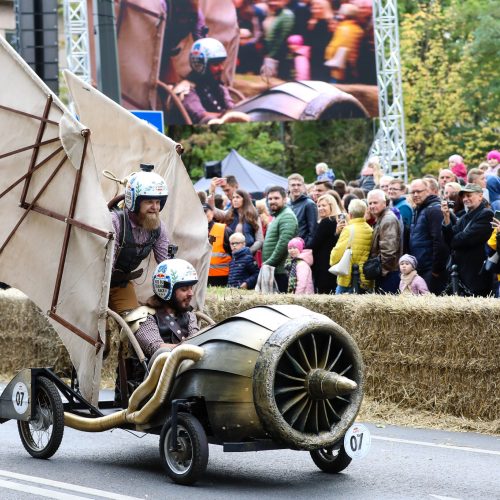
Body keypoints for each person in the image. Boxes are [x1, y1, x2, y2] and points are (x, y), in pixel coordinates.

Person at [109, 166, 170, 315]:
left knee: (135, 321)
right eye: (149, 201)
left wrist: (167, 299)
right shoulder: (115, 222)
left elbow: (165, 265)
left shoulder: (158, 227)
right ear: (134, 201)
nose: (155, 207)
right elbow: (104, 267)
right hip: (94, 281)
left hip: (119, 284)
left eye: (158, 202)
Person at [128, 259, 200, 365]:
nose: (191, 293)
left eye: (191, 288)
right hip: (150, 379)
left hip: (184, 377)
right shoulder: (145, 318)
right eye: (184, 289)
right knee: (163, 352)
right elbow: (157, 347)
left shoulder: (189, 316)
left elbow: (197, 341)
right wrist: (191, 349)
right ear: (165, 290)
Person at [441, 184, 495, 297]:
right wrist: (446, 218)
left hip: (477, 275)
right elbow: (449, 241)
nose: (465, 199)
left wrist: (454, 239)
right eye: (463, 196)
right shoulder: (465, 217)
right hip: (461, 274)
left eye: (469, 195)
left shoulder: (486, 214)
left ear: (480, 196)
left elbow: (460, 241)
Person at [408, 179, 449, 294]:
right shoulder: (419, 210)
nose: (415, 195)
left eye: (419, 191)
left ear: (428, 191)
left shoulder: (434, 209)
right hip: (421, 268)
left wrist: (436, 269)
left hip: (431, 270)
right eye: (413, 192)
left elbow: (440, 241)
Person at [183, 38, 235, 124]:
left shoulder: (219, 87)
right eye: (216, 64)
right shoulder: (187, 90)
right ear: (200, 65)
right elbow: (201, 115)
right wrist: (226, 117)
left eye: (222, 63)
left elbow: (232, 108)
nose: (221, 68)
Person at [330, 199, 373, 294]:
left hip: (348, 277)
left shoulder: (348, 229)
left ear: (350, 214)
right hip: (365, 277)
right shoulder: (370, 229)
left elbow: (336, 255)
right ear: (365, 212)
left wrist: (332, 261)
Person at [262, 186, 299, 292]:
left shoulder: (287, 216)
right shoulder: (278, 216)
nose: (272, 201)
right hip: (275, 269)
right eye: (270, 199)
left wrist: (269, 262)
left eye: (276, 198)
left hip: (281, 270)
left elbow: (284, 244)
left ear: (284, 199)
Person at [367, 189, 402, 293]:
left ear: (384, 203)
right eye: (370, 203)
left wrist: (381, 272)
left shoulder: (388, 219)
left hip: (389, 273)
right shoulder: (381, 218)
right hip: (387, 272)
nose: (372, 206)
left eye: (375, 202)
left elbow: (389, 251)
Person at [324, 3, 364, 83]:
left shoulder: (344, 29)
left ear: (343, 15)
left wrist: (328, 56)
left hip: (340, 67)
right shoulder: (358, 29)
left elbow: (335, 46)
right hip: (351, 65)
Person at [310, 194, 341, 293]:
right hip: (333, 264)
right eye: (319, 206)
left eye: (324, 205)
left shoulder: (327, 222)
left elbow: (314, 244)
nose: (320, 208)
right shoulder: (336, 220)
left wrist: (301, 249)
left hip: (324, 265)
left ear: (331, 206)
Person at [261, 0, 295, 79]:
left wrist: (272, 54)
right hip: (268, 51)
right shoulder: (272, 13)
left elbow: (282, 38)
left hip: (279, 54)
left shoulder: (287, 15)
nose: (272, 3)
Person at [223, 189, 264, 253]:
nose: (235, 200)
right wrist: (212, 192)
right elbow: (214, 212)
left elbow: (260, 240)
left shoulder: (253, 215)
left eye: (238, 197)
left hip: (248, 254)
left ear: (245, 199)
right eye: (233, 197)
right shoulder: (229, 214)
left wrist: (248, 251)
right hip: (230, 254)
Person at [304, 0, 333, 82]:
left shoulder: (328, 22)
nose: (315, 10)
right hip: (315, 54)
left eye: (320, 8)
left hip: (323, 55)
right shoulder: (315, 21)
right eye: (314, 8)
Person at [204, 204, 233, 286]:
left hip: (222, 276)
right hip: (202, 275)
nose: (204, 214)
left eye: (205, 211)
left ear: (212, 213)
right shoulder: (194, 231)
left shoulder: (224, 230)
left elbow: (233, 253)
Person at [288, 173, 318, 248]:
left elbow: (313, 230)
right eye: (293, 185)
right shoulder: (287, 205)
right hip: (289, 247)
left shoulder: (309, 204)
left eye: (299, 185)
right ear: (288, 187)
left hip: (302, 248)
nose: (296, 187)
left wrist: (305, 246)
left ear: (303, 187)